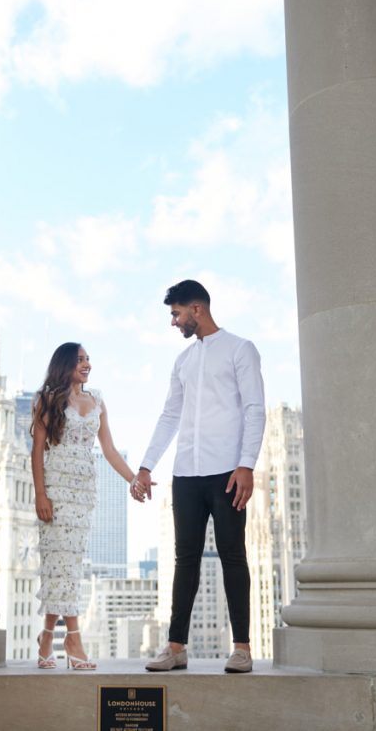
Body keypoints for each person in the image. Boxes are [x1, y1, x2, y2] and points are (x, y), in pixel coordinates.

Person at [134, 280, 266, 674]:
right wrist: (146, 465)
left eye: (176, 314)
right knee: (184, 560)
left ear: (197, 308)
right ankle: (176, 648)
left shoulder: (241, 349)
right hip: (186, 473)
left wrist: (247, 464)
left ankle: (241, 647)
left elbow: (254, 409)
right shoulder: (183, 362)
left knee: (232, 555)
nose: (174, 322)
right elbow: (170, 415)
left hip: (227, 471)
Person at [31, 342, 136, 670]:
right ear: (65, 364)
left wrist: (134, 479)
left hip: (84, 493)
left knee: (66, 568)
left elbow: (109, 449)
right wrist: (40, 495)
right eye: (80, 360)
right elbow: (36, 451)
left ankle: (47, 635)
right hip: (55, 490)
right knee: (60, 565)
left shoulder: (98, 401)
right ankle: (73, 638)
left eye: (88, 359)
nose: (87, 364)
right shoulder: (47, 399)